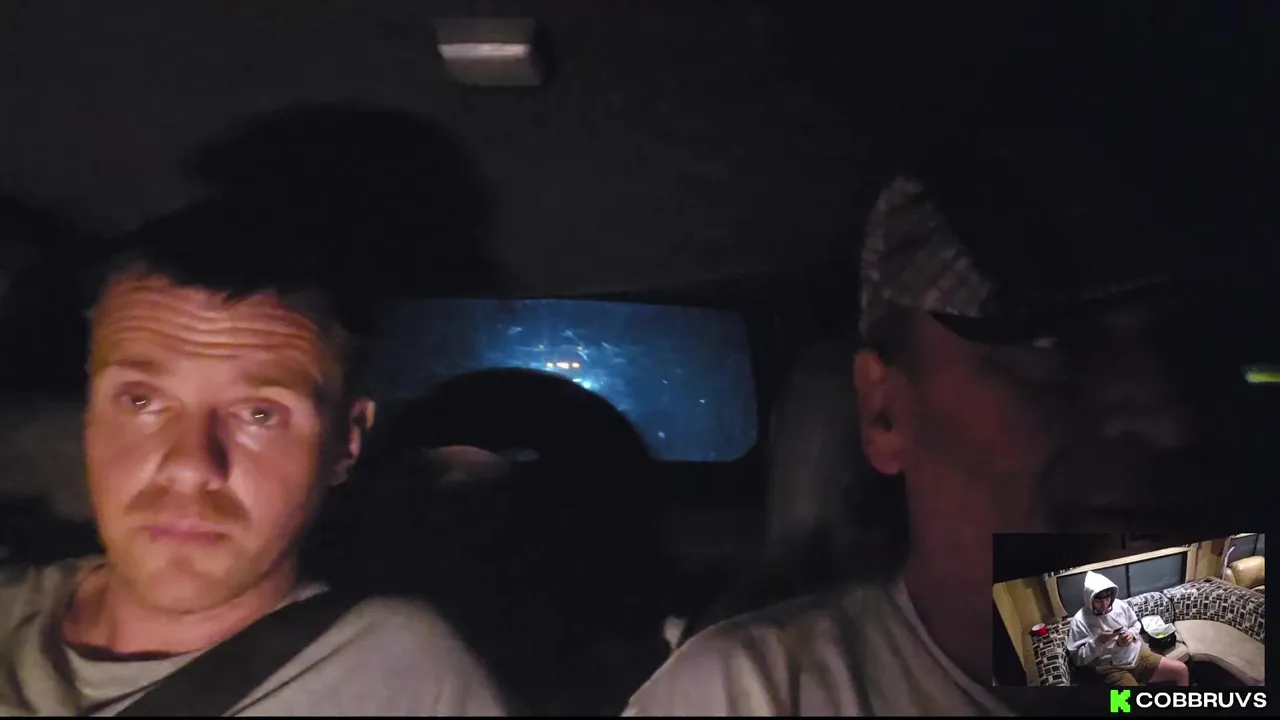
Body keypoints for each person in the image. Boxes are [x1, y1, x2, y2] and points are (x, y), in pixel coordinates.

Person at [623, 147, 1220, 715]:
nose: (1172, 422)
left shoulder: (1213, 655)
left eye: (1184, 347)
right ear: (884, 412)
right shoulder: (751, 696)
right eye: (1052, 343)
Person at [0, 199, 507, 716]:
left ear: (345, 443)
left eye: (259, 414)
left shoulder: (403, 681)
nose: (190, 466)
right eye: (140, 401)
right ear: (88, 415)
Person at [1066, 571, 1188, 686]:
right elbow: (1078, 659)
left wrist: (1131, 634)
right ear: (1090, 599)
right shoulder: (1080, 620)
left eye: (1107, 599)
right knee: (1126, 701)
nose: (1104, 604)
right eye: (1098, 601)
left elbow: (1135, 623)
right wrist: (1099, 641)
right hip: (1108, 667)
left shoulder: (1119, 605)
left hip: (1135, 654)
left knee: (1181, 670)